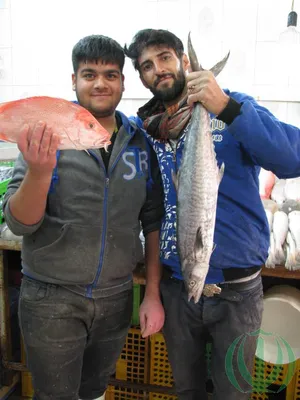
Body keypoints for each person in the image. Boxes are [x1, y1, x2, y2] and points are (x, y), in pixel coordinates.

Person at [124, 29, 300, 400]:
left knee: (233, 392)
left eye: (165, 58)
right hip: (177, 287)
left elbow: (291, 158)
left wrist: (227, 108)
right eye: (147, 66)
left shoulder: (233, 108)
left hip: (236, 293)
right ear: (141, 78)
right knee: (186, 390)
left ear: (184, 62)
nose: (158, 70)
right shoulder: (145, 131)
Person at [3, 34, 165, 400]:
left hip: (117, 297)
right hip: (51, 299)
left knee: (94, 390)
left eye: (111, 74)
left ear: (123, 82)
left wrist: (151, 293)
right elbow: (19, 222)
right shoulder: (46, 134)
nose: (100, 83)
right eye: (88, 74)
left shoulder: (139, 141)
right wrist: (40, 172)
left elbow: (152, 220)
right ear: (73, 81)